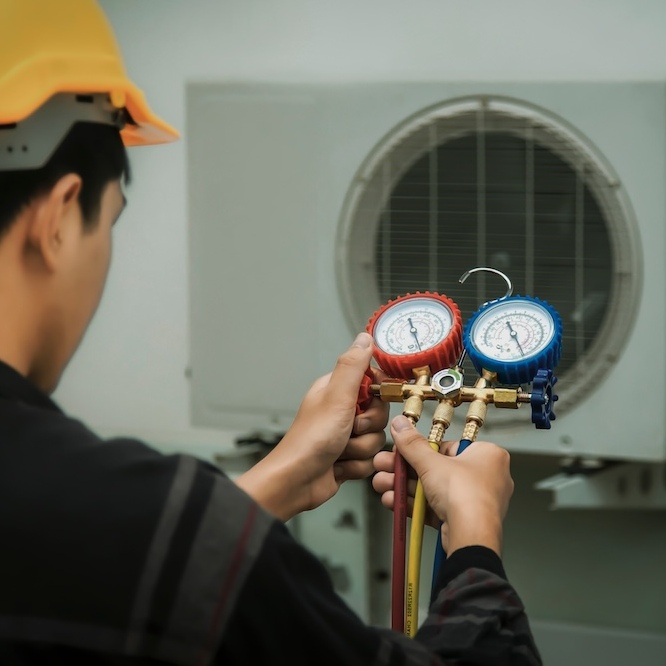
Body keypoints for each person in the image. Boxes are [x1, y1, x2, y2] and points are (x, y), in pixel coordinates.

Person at [0, 1, 542, 664]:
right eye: (112, 220)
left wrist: (279, 479)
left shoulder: (119, 524)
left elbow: (96, 571)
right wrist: (476, 536)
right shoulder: (139, 516)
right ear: (58, 217)